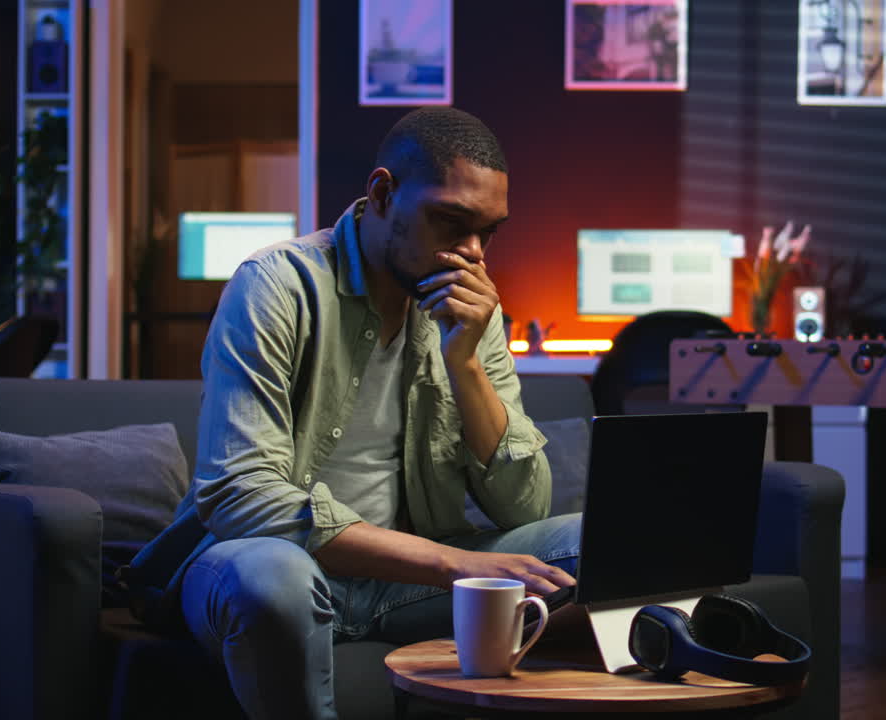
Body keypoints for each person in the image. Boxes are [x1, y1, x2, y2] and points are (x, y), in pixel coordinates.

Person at [131, 107, 580, 720]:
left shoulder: (472, 308)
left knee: (599, 546)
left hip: (406, 584)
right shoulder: (275, 285)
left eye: (488, 232)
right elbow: (241, 494)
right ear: (383, 194)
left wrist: (466, 363)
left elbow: (525, 507)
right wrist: (455, 565)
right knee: (275, 582)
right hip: (269, 562)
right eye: (451, 222)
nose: (472, 254)